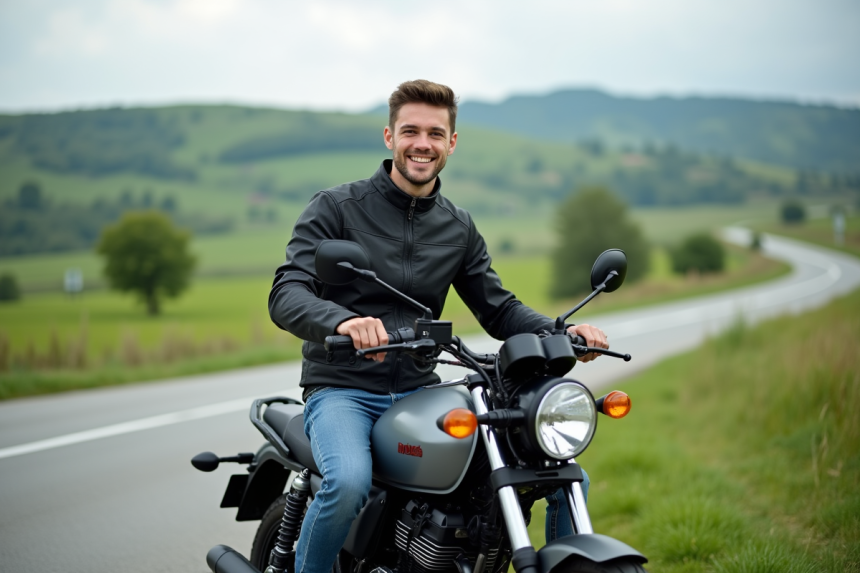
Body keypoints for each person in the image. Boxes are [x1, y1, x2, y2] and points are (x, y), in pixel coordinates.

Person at [268, 79, 609, 573]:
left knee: (548, 468)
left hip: (419, 391)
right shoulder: (337, 208)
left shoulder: (458, 226)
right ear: (390, 137)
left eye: (434, 132)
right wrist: (343, 322)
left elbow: (497, 309)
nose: (421, 144)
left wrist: (562, 332)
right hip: (343, 387)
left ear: (451, 142)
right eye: (410, 131)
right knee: (347, 484)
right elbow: (287, 293)